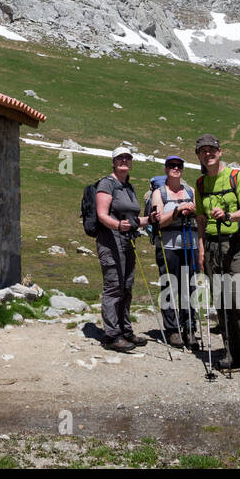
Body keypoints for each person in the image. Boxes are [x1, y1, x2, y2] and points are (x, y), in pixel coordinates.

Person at [192, 134, 240, 379]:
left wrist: (228, 216)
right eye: (203, 151)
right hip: (211, 245)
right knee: (221, 302)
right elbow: (200, 218)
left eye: (211, 150)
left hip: (234, 245)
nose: (207, 154)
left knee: (239, 299)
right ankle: (232, 353)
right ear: (198, 155)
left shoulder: (236, 177)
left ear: (220, 152)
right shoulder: (200, 184)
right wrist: (201, 248)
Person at [94, 143, 151, 351]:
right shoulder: (106, 184)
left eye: (128, 158)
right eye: (120, 158)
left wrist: (149, 219)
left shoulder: (128, 187)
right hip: (110, 242)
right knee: (114, 287)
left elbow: (133, 219)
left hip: (127, 241)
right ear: (113, 162)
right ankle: (111, 336)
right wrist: (118, 225)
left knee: (126, 287)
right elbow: (102, 215)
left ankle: (125, 330)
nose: (124, 160)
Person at [150, 155, 198, 348]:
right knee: (170, 287)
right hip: (168, 246)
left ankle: (190, 328)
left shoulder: (190, 190)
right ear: (166, 169)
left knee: (190, 287)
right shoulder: (159, 193)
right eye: (172, 166)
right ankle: (172, 330)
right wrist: (178, 211)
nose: (176, 168)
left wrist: (191, 211)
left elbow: (199, 213)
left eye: (179, 166)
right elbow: (159, 221)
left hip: (191, 245)